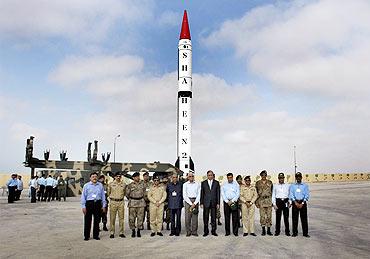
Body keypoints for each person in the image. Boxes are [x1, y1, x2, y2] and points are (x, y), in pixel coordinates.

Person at [81, 172, 107, 241]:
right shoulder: (86, 186)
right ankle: (86, 236)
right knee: (87, 221)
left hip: (98, 204)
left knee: (97, 220)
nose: (94, 178)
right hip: (89, 204)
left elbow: (103, 196)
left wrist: (104, 205)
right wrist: (83, 206)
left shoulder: (100, 185)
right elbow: (83, 196)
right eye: (93, 176)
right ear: (90, 178)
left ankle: (96, 235)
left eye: (96, 176)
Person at [289, 172, 310, 238]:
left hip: (303, 203)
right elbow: (291, 194)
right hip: (295, 202)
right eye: (297, 177)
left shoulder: (305, 185)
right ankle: (295, 233)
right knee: (295, 219)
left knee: (304, 219)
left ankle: (305, 233)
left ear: (301, 177)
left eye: (299, 176)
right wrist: (295, 202)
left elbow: (307, 195)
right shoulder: (292, 186)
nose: (298, 178)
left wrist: (302, 203)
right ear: (295, 178)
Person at [126, 172, 146, 238]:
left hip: (141, 203)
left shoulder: (143, 185)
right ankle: (133, 230)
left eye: (138, 176)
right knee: (132, 218)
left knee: (140, 218)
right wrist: (132, 198)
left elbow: (144, 193)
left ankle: (138, 231)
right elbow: (127, 194)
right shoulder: (130, 185)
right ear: (133, 178)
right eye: (136, 176)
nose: (138, 177)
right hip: (132, 203)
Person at [200, 170, 220, 236]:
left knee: (213, 217)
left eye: (211, 175)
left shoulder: (216, 183)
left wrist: (218, 203)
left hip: (214, 202)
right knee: (205, 217)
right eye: (209, 175)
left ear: (213, 175)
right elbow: (202, 193)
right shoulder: (203, 183)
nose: (210, 176)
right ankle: (206, 231)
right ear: (207, 176)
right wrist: (201, 203)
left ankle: (213, 231)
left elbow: (218, 194)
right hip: (206, 202)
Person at [107, 172, 126, 238]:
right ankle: (112, 232)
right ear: (114, 177)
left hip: (121, 202)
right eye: (117, 176)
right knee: (112, 218)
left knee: (121, 218)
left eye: (119, 176)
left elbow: (125, 193)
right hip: (113, 202)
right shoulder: (111, 184)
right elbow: (108, 193)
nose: (118, 177)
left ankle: (121, 232)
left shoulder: (123, 184)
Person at [255, 170, 273, 236]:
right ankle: (263, 230)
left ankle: (268, 230)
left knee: (269, 216)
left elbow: (272, 192)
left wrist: (273, 202)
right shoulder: (258, 183)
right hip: (261, 201)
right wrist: (256, 202)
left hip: (268, 200)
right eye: (262, 175)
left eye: (265, 175)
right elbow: (256, 193)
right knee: (262, 216)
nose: (264, 176)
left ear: (266, 175)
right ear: (261, 176)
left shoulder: (270, 182)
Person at [183, 172, 201, 236]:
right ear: (188, 177)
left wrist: (195, 203)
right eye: (190, 176)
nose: (191, 177)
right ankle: (188, 231)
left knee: (195, 217)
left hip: (195, 201)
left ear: (194, 177)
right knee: (187, 217)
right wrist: (191, 204)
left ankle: (194, 231)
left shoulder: (197, 184)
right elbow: (184, 195)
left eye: (192, 176)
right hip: (188, 201)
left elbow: (199, 194)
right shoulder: (185, 184)